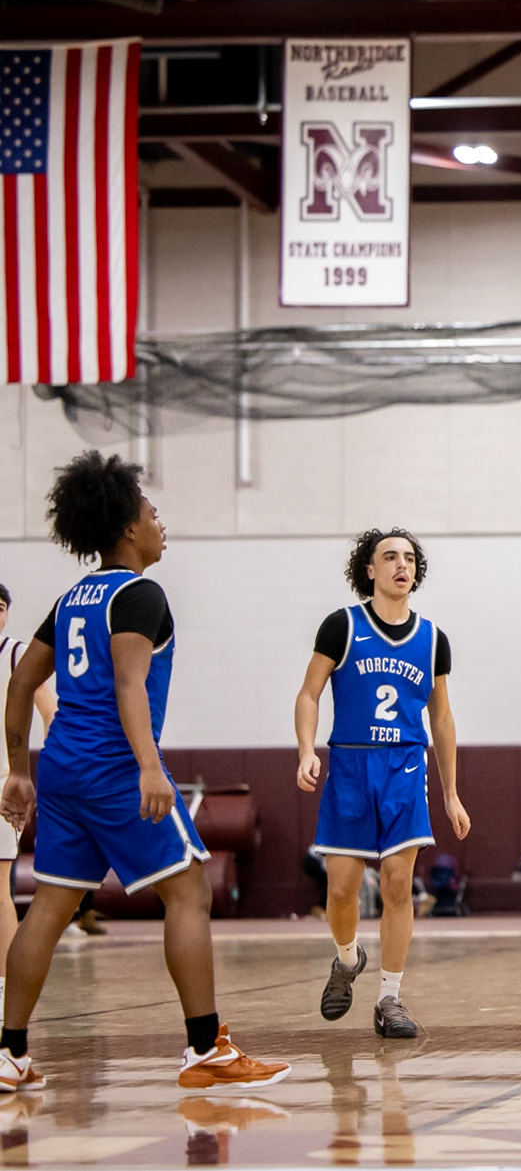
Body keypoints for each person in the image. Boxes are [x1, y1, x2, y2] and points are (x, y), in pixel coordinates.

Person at [0, 451, 288, 1091]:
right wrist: (150, 769)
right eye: (153, 513)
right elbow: (130, 685)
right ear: (129, 528)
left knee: (50, 905)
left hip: (63, 769)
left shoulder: (71, 598)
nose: (161, 523)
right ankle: (205, 1049)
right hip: (115, 769)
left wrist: (20, 771)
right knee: (189, 892)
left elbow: (19, 683)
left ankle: (9, 1054)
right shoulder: (139, 594)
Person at [295, 528, 470, 1040]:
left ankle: (390, 998)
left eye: (409, 558)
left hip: (405, 768)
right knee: (342, 891)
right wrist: (306, 750)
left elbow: (442, 718)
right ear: (369, 569)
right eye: (390, 557)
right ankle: (348, 960)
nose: (402, 565)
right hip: (350, 766)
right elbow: (309, 694)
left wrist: (451, 793)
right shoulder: (342, 626)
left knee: (397, 884)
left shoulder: (433, 639)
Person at [0, 585, 60, 957]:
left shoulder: (16, 654)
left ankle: (4, 985)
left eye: (0, 607)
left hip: (4, 785)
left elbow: (50, 712)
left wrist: (53, 765)